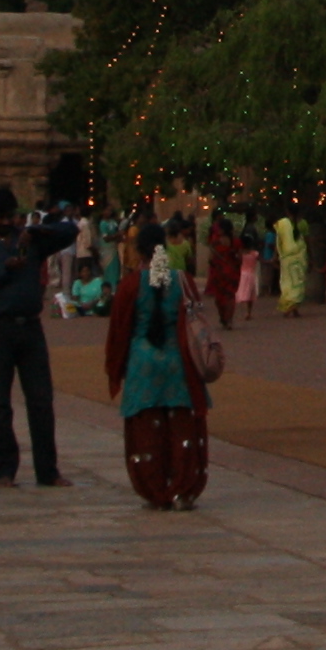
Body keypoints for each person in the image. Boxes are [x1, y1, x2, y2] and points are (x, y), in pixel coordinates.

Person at [0, 198, 77, 488]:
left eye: (8, 216)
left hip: (30, 328)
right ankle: (4, 470)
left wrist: (35, 231)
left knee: (41, 401)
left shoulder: (29, 241)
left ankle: (47, 471)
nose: (4, 222)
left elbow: (70, 231)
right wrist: (4, 269)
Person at [105, 217, 209, 510]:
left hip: (142, 365)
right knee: (181, 428)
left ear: (139, 251)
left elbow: (118, 331)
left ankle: (155, 490)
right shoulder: (183, 281)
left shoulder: (129, 286)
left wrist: (116, 368)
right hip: (179, 364)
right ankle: (182, 490)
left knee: (148, 432)